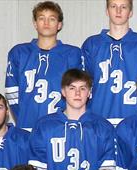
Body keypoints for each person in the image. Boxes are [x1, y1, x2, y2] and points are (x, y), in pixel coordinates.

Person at [29, 69, 118, 170]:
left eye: (82, 88)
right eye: (72, 88)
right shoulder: (44, 126)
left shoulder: (103, 127)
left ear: (89, 93)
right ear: (63, 92)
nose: (77, 93)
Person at [5, 1, 83, 131]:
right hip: (27, 126)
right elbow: (12, 93)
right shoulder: (19, 53)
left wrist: (67, 120)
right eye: (41, 18)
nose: (46, 23)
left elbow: (78, 93)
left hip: (60, 127)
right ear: (35, 23)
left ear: (59, 25)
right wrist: (23, 119)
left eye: (52, 19)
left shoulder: (72, 54)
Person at [82, 0, 137, 126]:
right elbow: (83, 85)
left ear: (130, 12)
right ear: (107, 11)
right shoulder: (92, 44)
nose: (118, 11)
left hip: (136, 120)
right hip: (99, 118)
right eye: (113, 6)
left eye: (123, 7)